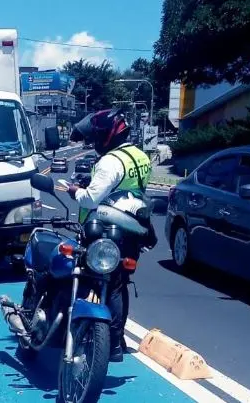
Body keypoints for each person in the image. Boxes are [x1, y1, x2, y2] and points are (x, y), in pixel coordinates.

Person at [67, 107, 156, 363]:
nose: (94, 143)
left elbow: (91, 198)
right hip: (134, 227)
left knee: (91, 278)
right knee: (120, 284)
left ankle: (106, 340)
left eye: (97, 137)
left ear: (107, 136)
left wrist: (75, 191)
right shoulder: (139, 156)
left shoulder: (110, 161)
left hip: (107, 229)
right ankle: (117, 339)